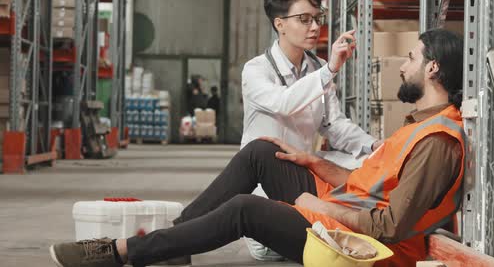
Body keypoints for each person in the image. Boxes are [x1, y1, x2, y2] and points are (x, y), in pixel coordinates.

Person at [49, 29, 466, 267]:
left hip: (364, 251)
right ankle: (176, 241)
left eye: (410, 57)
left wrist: (319, 208)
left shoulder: (437, 141)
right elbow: (370, 182)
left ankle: (121, 254)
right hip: (345, 212)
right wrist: (314, 162)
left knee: (244, 210)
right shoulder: (417, 124)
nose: (402, 64)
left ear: (432, 68)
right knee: (263, 151)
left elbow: (389, 227)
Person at [241, 0, 381, 260]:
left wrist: (375, 146)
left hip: (301, 177)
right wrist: (329, 70)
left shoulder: (317, 68)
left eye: (318, 18)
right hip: (267, 182)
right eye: (304, 20)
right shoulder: (256, 70)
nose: (315, 27)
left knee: (366, 168)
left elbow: (334, 126)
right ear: (279, 23)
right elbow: (285, 103)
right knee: (269, 251)